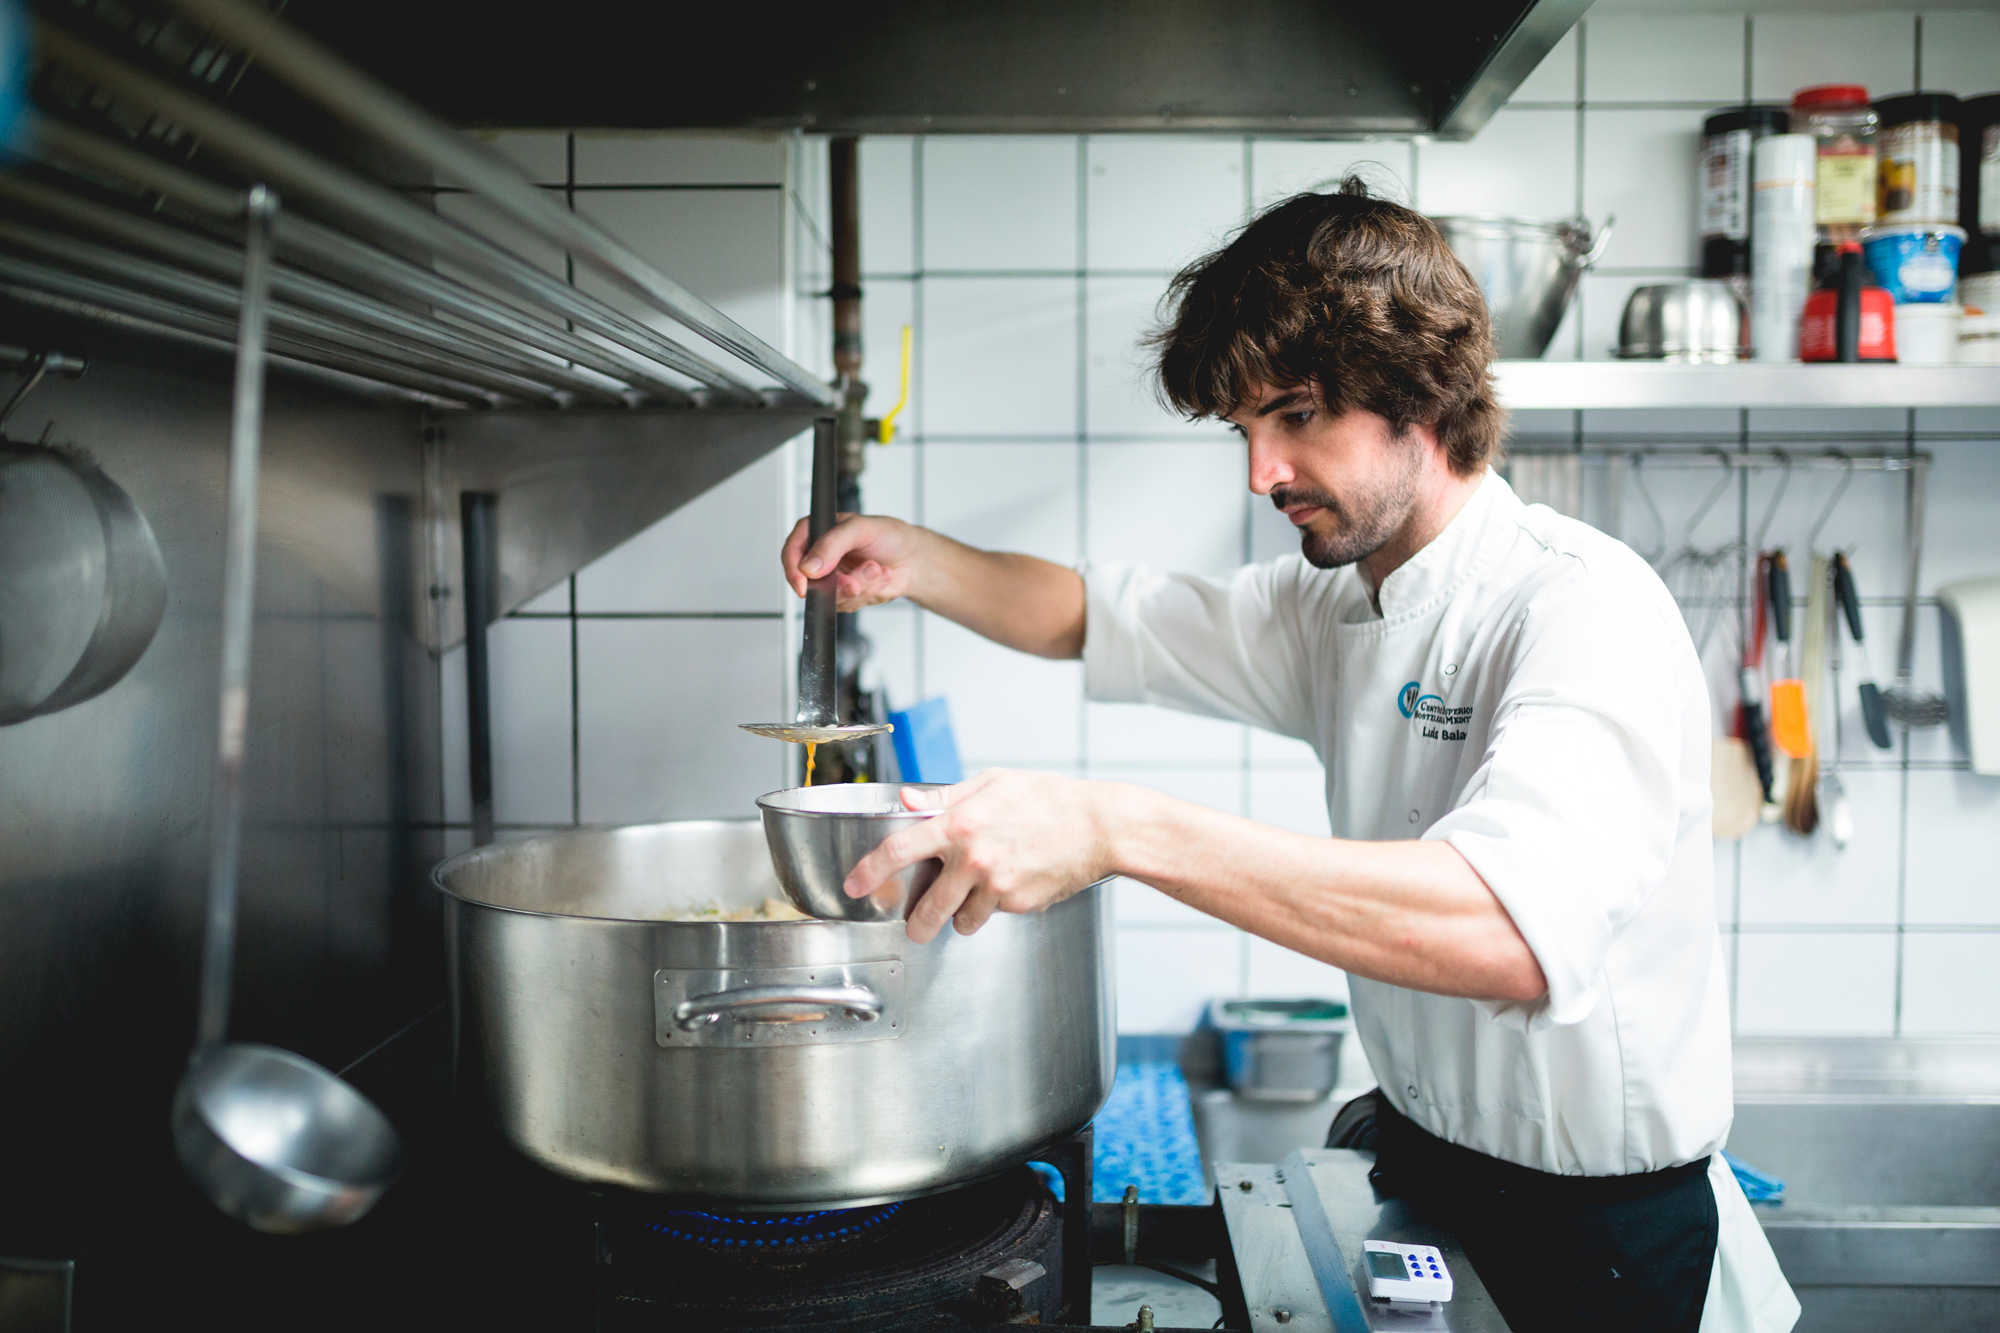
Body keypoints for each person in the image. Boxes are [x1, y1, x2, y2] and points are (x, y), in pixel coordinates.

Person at [781, 179, 1797, 1333]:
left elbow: (1506, 931)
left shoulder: (1574, 605)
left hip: (1598, 1242)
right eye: (1243, 428)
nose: (1258, 471)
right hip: (1431, 1168)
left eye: (1296, 414)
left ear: (1420, 395)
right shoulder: (1339, 605)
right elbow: (1096, 615)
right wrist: (911, 558)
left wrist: (1117, 829)